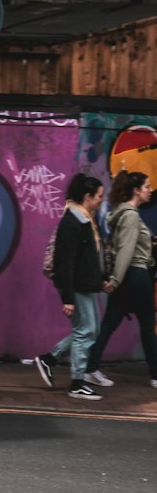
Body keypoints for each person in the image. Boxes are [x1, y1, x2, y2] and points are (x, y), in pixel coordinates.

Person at [34, 173, 110, 400]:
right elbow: (65, 263)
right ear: (87, 196)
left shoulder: (86, 219)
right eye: (98, 196)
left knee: (89, 331)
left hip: (84, 285)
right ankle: (77, 382)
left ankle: (49, 359)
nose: (101, 201)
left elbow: (88, 259)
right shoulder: (72, 222)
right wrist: (67, 298)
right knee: (85, 331)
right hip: (74, 287)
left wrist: (101, 279)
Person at [83, 169, 157, 388]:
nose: (150, 190)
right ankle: (155, 373)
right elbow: (125, 251)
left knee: (109, 324)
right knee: (147, 324)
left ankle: (89, 367)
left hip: (127, 276)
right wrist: (115, 281)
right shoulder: (131, 216)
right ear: (136, 191)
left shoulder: (124, 214)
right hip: (135, 275)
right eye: (147, 186)